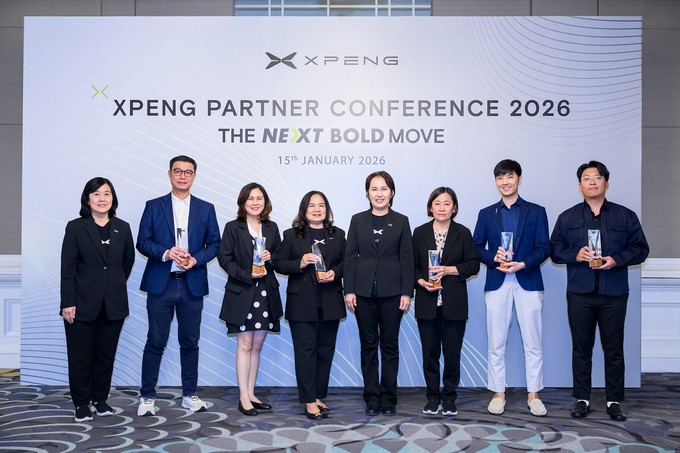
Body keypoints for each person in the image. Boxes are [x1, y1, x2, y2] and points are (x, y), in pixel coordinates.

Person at [550, 161, 649, 422]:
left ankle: (613, 401)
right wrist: (575, 254)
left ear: (606, 182)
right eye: (586, 178)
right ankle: (581, 399)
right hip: (580, 293)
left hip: (613, 293)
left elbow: (641, 249)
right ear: (579, 185)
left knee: (613, 349)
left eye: (597, 177)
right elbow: (555, 250)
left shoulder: (625, 216)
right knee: (581, 348)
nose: (592, 182)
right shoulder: (567, 217)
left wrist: (617, 259)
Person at [136, 155, 220, 416]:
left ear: (194, 176)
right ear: (169, 174)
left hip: (191, 285)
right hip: (161, 285)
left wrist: (196, 259)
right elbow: (142, 241)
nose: (183, 176)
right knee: (155, 341)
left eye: (188, 172)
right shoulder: (154, 206)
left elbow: (214, 244)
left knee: (190, 342)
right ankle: (147, 397)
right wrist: (165, 253)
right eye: (178, 171)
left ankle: (190, 395)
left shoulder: (206, 208)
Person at [473, 159, 550, 417]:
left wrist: (523, 263)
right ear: (496, 181)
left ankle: (534, 395)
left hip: (528, 280)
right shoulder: (486, 214)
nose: (505, 182)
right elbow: (476, 247)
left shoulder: (536, 211)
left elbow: (544, 247)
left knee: (533, 342)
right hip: (497, 282)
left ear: (519, 179)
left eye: (509, 176)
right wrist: (493, 258)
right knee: (496, 342)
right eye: (500, 177)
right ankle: (498, 393)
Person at [60, 177, 135, 422]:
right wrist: (67, 302)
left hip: (113, 303)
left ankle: (100, 399)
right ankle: (81, 403)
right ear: (87, 199)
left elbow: (127, 261)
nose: (102, 199)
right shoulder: (76, 227)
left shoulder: (123, 227)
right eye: (96, 194)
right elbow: (67, 267)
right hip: (80, 303)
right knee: (80, 356)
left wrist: (112, 284)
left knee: (105, 355)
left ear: (113, 198)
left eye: (106, 194)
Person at [344, 170, 414, 417]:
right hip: (362, 294)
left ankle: (389, 399)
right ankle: (372, 398)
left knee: (390, 346)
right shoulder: (357, 220)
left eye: (384, 188)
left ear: (392, 192)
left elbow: (407, 258)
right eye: (374, 189)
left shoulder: (402, 221)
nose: (379, 193)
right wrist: (349, 290)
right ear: (367, 193)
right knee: (368, 345)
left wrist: (407, 292)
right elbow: (350, 257)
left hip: (393, 294)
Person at [274, 191, 346, 420]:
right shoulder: (291, 235)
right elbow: (278, 263)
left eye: (321, 205)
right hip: (302, 304)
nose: (317, 209)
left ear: (327, 209)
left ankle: (317, 395)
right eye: (312, 205)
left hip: (330, 301)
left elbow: (349, 263)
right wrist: (300, 262)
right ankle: (308, 400)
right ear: (304, 210)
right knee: (305, 352)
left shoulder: (338, 234)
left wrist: (335, 273)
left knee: (325, 351)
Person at [413, 187, 480, 417]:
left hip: (454, 304)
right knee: (429, 354)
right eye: (437, 203)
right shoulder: (419, 232)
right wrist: (421, 281)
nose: (442, 208)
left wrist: (450, 269)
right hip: (427, 303)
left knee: (452, 355)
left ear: (454, 207)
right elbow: (411, 266)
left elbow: (473, 265)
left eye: (447, 203)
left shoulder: (463, 232)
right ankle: (433, 397)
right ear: (430, 207)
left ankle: (449, 398)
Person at [218, 182, 283, 416]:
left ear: (265, 202)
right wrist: (247, 274)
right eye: (251, 198)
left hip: (266, 292)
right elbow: (224, 258)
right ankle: (243, 397)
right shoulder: (232, 227)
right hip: (243, 291)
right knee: (245, 345)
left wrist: (271, 257)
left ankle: (252, 393)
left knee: (257, 346)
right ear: (243, 201)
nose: (255, 203)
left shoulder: (272, 227)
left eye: (259, 198)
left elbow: (281, 258)